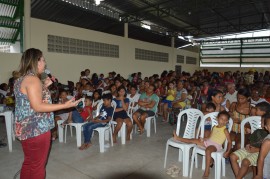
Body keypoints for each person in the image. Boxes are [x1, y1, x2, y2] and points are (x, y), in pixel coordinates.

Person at [14, 48, 81, 179]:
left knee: (29, 162)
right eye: (43, 60)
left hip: (25, 129)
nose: (45, 63)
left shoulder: (21, 79)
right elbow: (38, 106)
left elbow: (29, 102)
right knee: (38, 166)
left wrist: (44, 86)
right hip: (37, 129)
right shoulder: (33, 80)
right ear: (36, 62)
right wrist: (65, 105)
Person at [173, 111, 232, 178]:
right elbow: (210, 137)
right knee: (193, 140)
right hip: (208, 142)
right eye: (221, 119)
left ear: (227, 121)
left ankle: (207, 171)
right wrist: (203, 139)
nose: (223, 121)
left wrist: (228, 151)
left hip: (215, 145)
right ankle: (177, 138)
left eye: (225, 120)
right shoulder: (214, 127)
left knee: (208, 150)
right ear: (217, 118)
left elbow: (230, 142)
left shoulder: (225, 130)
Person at [255, 114, 270, 179]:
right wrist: (259, 175)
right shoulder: (268, 142)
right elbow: (261, 158)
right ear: (266, 127)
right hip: (267, 173)